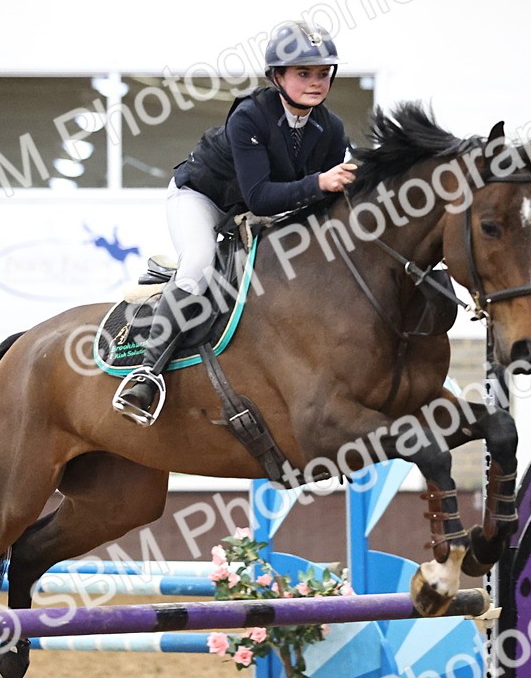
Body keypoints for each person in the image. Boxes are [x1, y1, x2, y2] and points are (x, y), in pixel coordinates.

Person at [112, 21, 358, 425]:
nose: (316, 82)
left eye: (322, 73)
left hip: (260, 215)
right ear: (277, 76)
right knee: (198, 262)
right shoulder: (250, 116)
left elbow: (329, 194)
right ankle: (147, 374)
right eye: (303, 73)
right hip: (202, 200)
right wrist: (320, 181)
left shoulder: (330, 128)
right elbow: (261, 195)